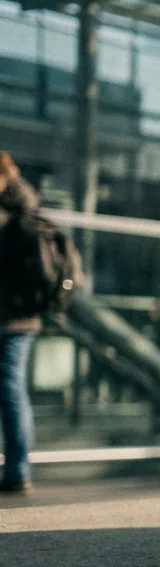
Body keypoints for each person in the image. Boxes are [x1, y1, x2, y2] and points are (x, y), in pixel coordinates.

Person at [0, 152, 41, 495]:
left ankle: (17, 470)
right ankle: (18, 470)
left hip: (10, 317)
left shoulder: (11, 216)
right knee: (13, 389)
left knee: (11, 389)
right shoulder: (27, 209)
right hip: (23, 316)